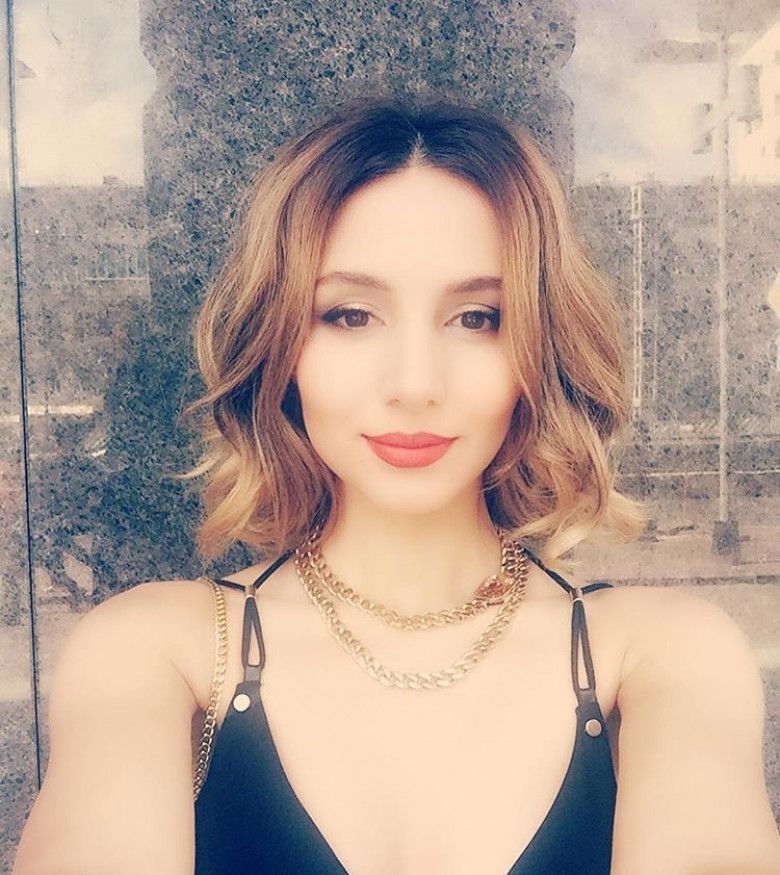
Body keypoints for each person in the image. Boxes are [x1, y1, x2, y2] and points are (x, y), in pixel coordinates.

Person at [13, 98, 780, 875]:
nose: (415, 383)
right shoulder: (156, 651)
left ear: (539, 349)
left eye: (477, 317)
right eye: (350, 315)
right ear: (281, 346)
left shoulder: (662, 655)